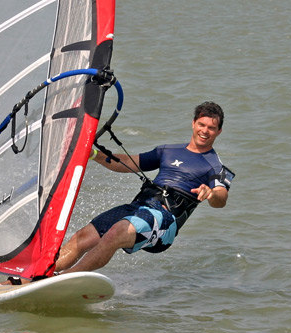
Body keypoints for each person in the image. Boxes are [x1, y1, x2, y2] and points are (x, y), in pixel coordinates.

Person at [54, 101, 234, 275]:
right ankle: (40, 274)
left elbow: (221, 198)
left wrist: (210, 193)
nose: (205, 131)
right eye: (201, 124)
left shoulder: (216, 166)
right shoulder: (167, 151)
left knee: (116, 232)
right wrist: (92, 154)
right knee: (82, 237)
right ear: (193, 123)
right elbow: (125, 162)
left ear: (219, 131)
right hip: (139, 207)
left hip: (165, 219)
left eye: (211, 127)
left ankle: (63, 279)